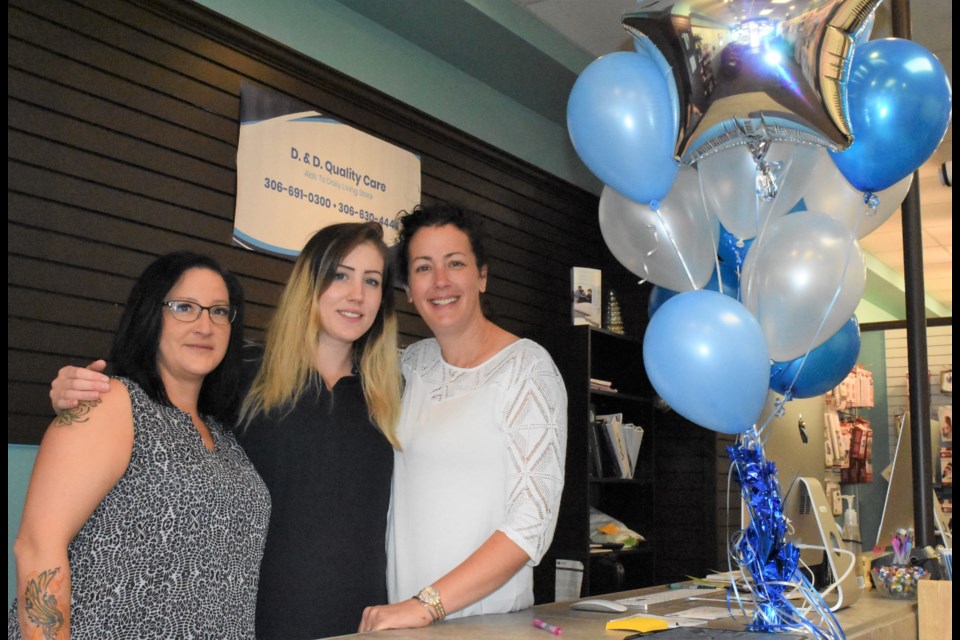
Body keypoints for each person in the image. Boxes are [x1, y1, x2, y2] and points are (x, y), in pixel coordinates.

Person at [46, 223, 402, 639]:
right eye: (340, 275)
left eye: (372, 281)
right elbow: (151, 402)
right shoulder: (240, 376)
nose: (356, 294)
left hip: (364, 623)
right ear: (308, 283)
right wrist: (71, 394)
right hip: (254, 621)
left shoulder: (393, 395)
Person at [10, 252, 271, 639]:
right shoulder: (112, 403)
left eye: (219, 311)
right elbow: (37, 546)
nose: (205, 325)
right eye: (184, 307)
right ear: (151, 314)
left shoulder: (223, 434)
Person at [359, 204, 567, 632]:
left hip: (486, 624)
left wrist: (427, 604)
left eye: (455, 263)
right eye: (423, 268)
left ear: (482, 276)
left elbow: (532, 524)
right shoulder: (407, 367)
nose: (441, 282)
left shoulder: (527, 368)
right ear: (410, 289)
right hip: (404, 623)